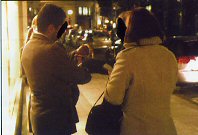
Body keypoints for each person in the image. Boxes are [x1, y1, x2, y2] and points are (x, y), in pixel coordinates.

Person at [103, 7, 178, 135]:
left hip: (137, 129)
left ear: (132, 29)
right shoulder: (169, 55)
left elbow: (114, 98)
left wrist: (111, 76)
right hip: (166, 128)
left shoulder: (127, 57)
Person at [21, 4, 91, 135]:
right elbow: (79, 76)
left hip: (39, 117)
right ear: (51, 28)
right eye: (61, 28)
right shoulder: (52, 49)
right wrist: (83, 63)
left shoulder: (28, 46)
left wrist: (74, 53)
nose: (63, 32)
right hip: (56, 119)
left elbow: (52, 66)